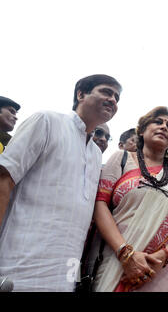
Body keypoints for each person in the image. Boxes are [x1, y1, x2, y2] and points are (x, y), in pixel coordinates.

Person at [0, 74, 122, 291]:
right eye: (106, 91)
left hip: (64, 274)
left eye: (117, 97)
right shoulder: (46, 121)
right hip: (17, 267)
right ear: (81, 94)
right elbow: (4, 178)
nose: (113, 99)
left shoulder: (95, 154)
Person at [92, 106, 168, 292]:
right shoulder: (122, 158)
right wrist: (126, 254)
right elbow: (100, 203)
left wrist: (161, 258)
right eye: (158, 122)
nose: (164, 127)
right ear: (141, 131)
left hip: (161, 268)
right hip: (116, 257)